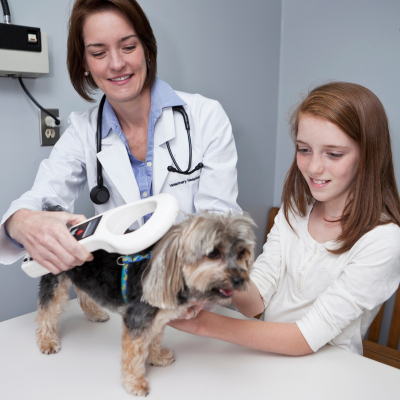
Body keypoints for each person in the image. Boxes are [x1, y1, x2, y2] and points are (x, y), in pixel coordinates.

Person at [0, 0, 241, 277]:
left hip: (196, 292)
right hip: (126, 298)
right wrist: (21, 222)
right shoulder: (82, 133)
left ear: (147, 50)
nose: (116, 64)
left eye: (128, 47)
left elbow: (221, 222)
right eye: (99, 53)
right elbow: (41, 196)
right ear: (85, 63)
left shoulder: (205, 117)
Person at [169, 82, 400, 355]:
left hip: (334, 375)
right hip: (270, 360)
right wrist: (221, 278)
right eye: (304, 150)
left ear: (369, 155)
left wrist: (199, 324)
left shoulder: (383, 240)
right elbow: (255, 301)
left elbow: (304, 338)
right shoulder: (296, 209)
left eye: (334, 154)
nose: (313, 167)